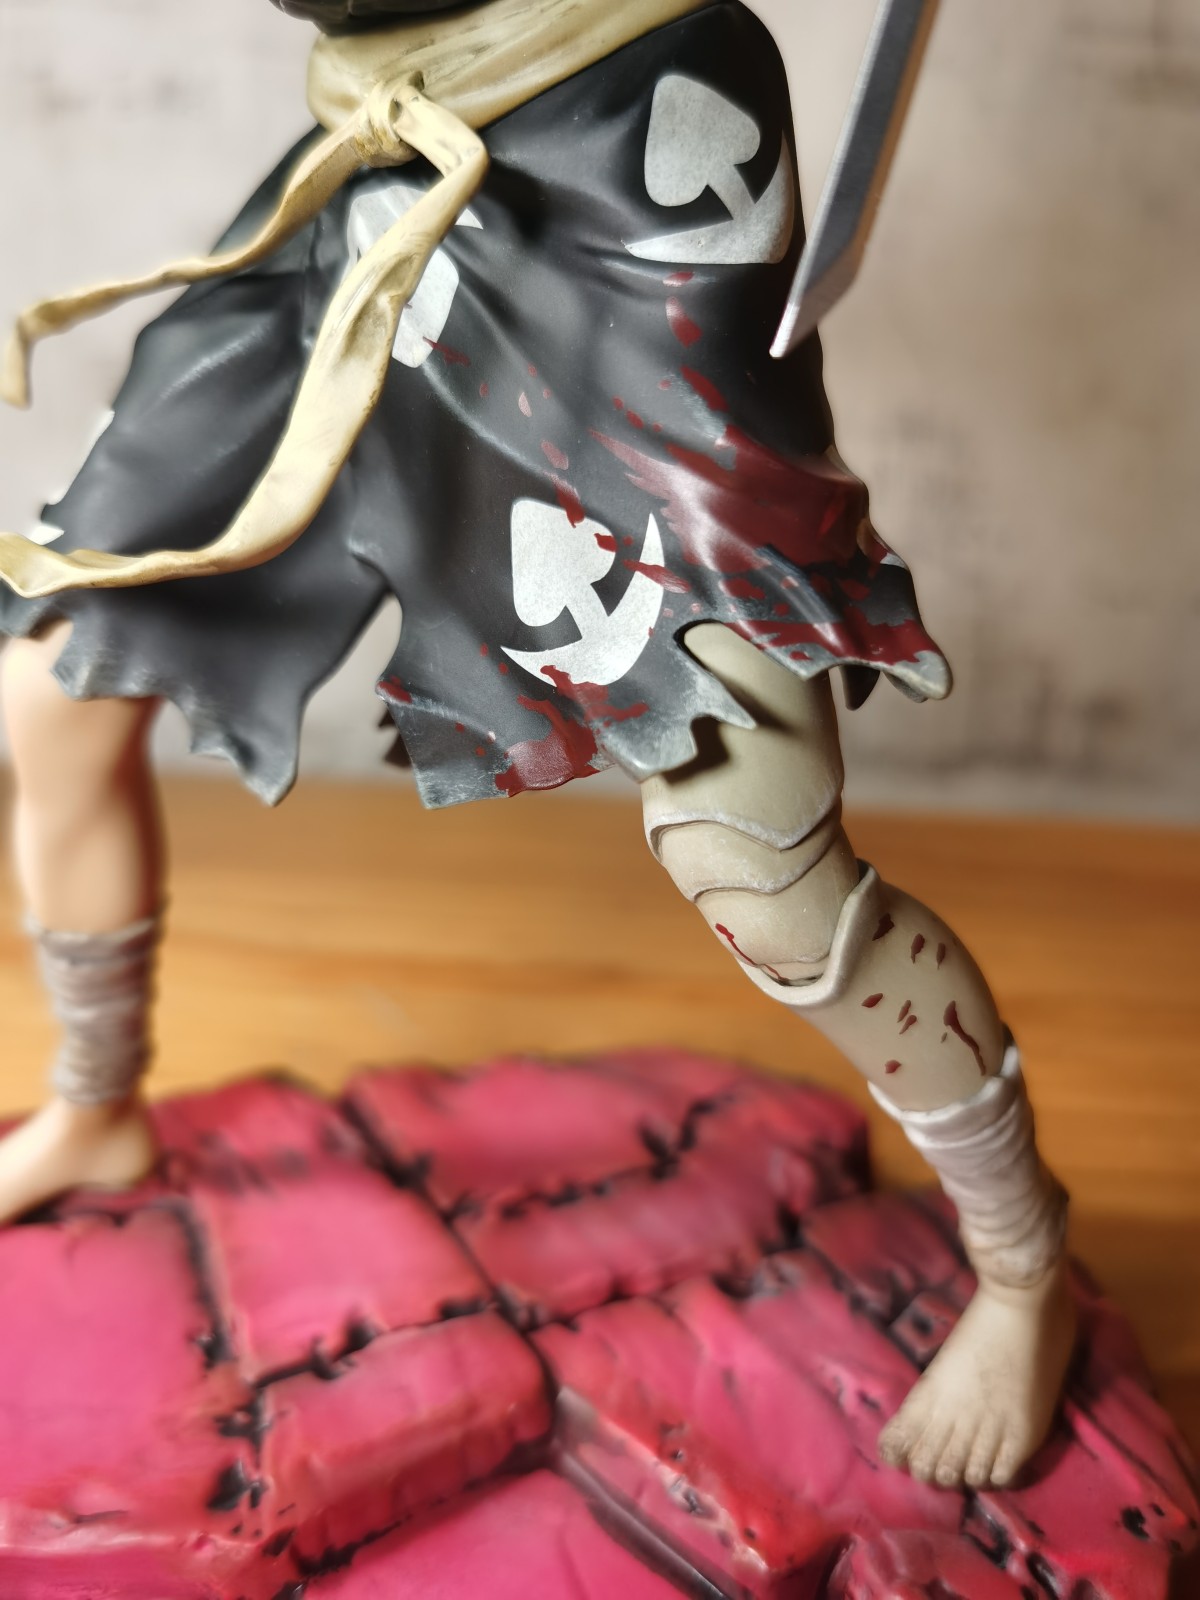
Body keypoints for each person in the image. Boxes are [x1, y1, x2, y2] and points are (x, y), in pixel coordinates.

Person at [0, 0, 1074, 1490]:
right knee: (53, 689)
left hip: (626, 156)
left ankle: (1024, 1267)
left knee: (758, 862)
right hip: (381, 160)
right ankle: (95, 1102)